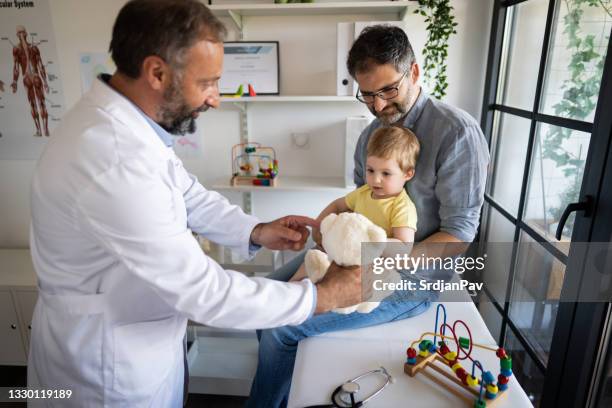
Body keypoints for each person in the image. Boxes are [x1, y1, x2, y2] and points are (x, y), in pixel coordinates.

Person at [27, 1, 364, 407]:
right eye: (208, 83)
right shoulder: (112, 157)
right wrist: (321, 297)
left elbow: (185, 192)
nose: (216, 99)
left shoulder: (130, 126)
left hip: (140, 338)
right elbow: (204, 292)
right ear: (157, 72)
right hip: (104, 371)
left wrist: (254, 231)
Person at [247, 25, 490, 407]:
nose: (378, 106)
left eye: (388, 91)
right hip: (355, 257)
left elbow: (459, 234)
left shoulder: (456, 133)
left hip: (411, 278)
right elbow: (359, 203)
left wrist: (376, 262)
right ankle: (286, 392)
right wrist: (325, 230)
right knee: (263, 300)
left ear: (413, 72)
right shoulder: (370, 137)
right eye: (367, 95)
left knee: (282, 328)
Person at [290, 125, 420, 282]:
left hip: (371, 265)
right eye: (370, 170)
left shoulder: (402, 207)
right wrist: (319, 225)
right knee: (310, 263)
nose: (375, 179)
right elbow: (338, 205)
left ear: (408, 174)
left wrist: (366, 242)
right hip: (344, 252)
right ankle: (290, 291)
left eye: (386, 173)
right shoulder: (364, 192)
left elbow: (404, 247)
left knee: (333, 282)